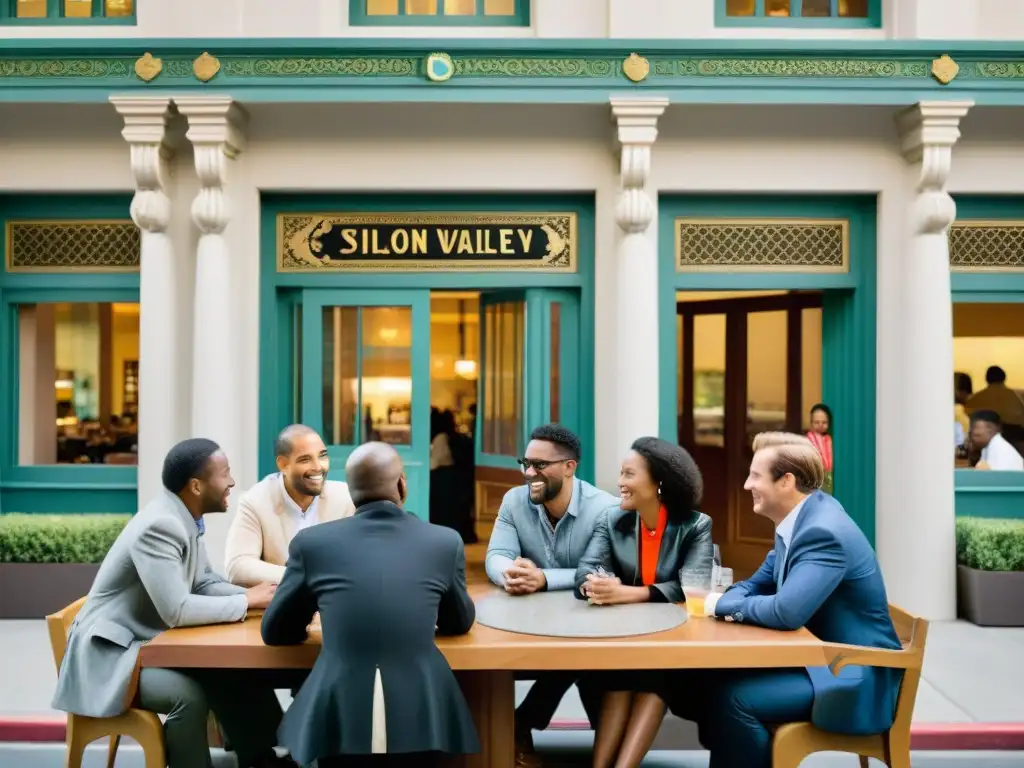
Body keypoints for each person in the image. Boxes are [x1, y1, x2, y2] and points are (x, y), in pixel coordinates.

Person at [51, 438, 291, 768]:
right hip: (110, 657)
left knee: (229, 667)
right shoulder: (160, 525)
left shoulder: (183, 516)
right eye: (225, 474)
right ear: (196, 485)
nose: (233, 482)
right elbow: (176, 610)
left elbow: (203, 581)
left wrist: (257, 596)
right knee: (186, 696)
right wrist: (247, 599)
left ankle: (260, 758)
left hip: (143, 643)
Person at [667, 432, 902, 768]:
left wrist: (717, 604)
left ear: (786, 482)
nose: (747, 485)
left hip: (853, 675)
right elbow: (756, 583)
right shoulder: (800, 520)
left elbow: (785, 611)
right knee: (697, 683)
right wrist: (730, 599)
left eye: (755, 476)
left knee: (732, 699)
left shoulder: (823, 532)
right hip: (820, 660)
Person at [261, 442, 479, 768]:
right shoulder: (444, 542)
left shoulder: (312, 544)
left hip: (338, 712)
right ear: (402, 484)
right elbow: (459, 621)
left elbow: (275, 630)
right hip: (424, 711)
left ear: (352, 492)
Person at [484, 424, 618, 767]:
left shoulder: (605, 508)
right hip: (525, 622)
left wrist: (544, 578)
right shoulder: (514, 500)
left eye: (540, 465)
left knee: (578, 655)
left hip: (590, 623)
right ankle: (603, 745)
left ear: (570, 466)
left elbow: (603, 573)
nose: (530, 473)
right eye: (525, 463)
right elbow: (496, 555)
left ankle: (521, 723)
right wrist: (510, 574)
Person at [574, 437, 713, 768]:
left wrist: (628, 593)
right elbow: (584, 572)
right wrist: (598, 584)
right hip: (620, 639)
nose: (620, 483)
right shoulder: (612, 520)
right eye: (620, 474)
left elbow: (694, 585)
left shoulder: (695, 525)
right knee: (621, 674)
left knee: (654, 676)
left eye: (628, 474)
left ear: (659, 482)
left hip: (674, 642)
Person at [225, 424, 355, 586]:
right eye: (305, 459)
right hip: (285, 605)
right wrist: (301, 576)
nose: (318, 467)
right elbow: (237, 566)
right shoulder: (256, 501)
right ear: (283, 465)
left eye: (322, 456)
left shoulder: (346, 498)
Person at [805, 403, 834, 495]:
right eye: (817, 422)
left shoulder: (829, 439)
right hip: (815, 473)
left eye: (824, 422)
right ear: (811, 422)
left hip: (829, 474)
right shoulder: (809, 438)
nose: (820, 425)